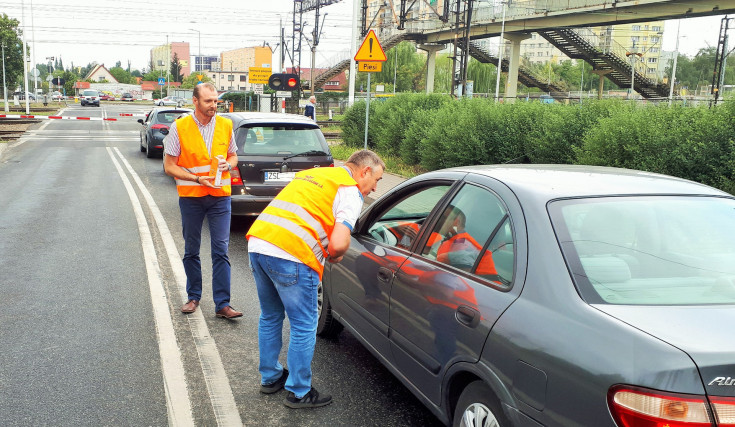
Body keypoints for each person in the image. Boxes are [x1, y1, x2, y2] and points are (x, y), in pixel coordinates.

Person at [247, 149, 385, 408]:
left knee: (270, 316)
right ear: (364, 171)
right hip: (293, 255)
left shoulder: (315, 174)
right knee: (303, 326)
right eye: (377, 180)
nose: (375, 189)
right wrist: (335, 255)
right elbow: (339, 242)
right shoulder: (349, 190)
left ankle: (270, 377)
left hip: (259, 243)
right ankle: (299, 391)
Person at [163, 82, 243, 319]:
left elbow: (234, 155)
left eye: (216, 101)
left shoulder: (226, 124)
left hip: (220, 198)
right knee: (191, 249)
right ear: (195, 101)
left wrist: (228, 165)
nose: (214, 105)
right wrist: (197, 179)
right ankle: (193, 296)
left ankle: (223, 305)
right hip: (192, 197)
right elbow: (169, 166)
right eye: (208, 101)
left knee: (221, 249)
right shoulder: (180, 127)